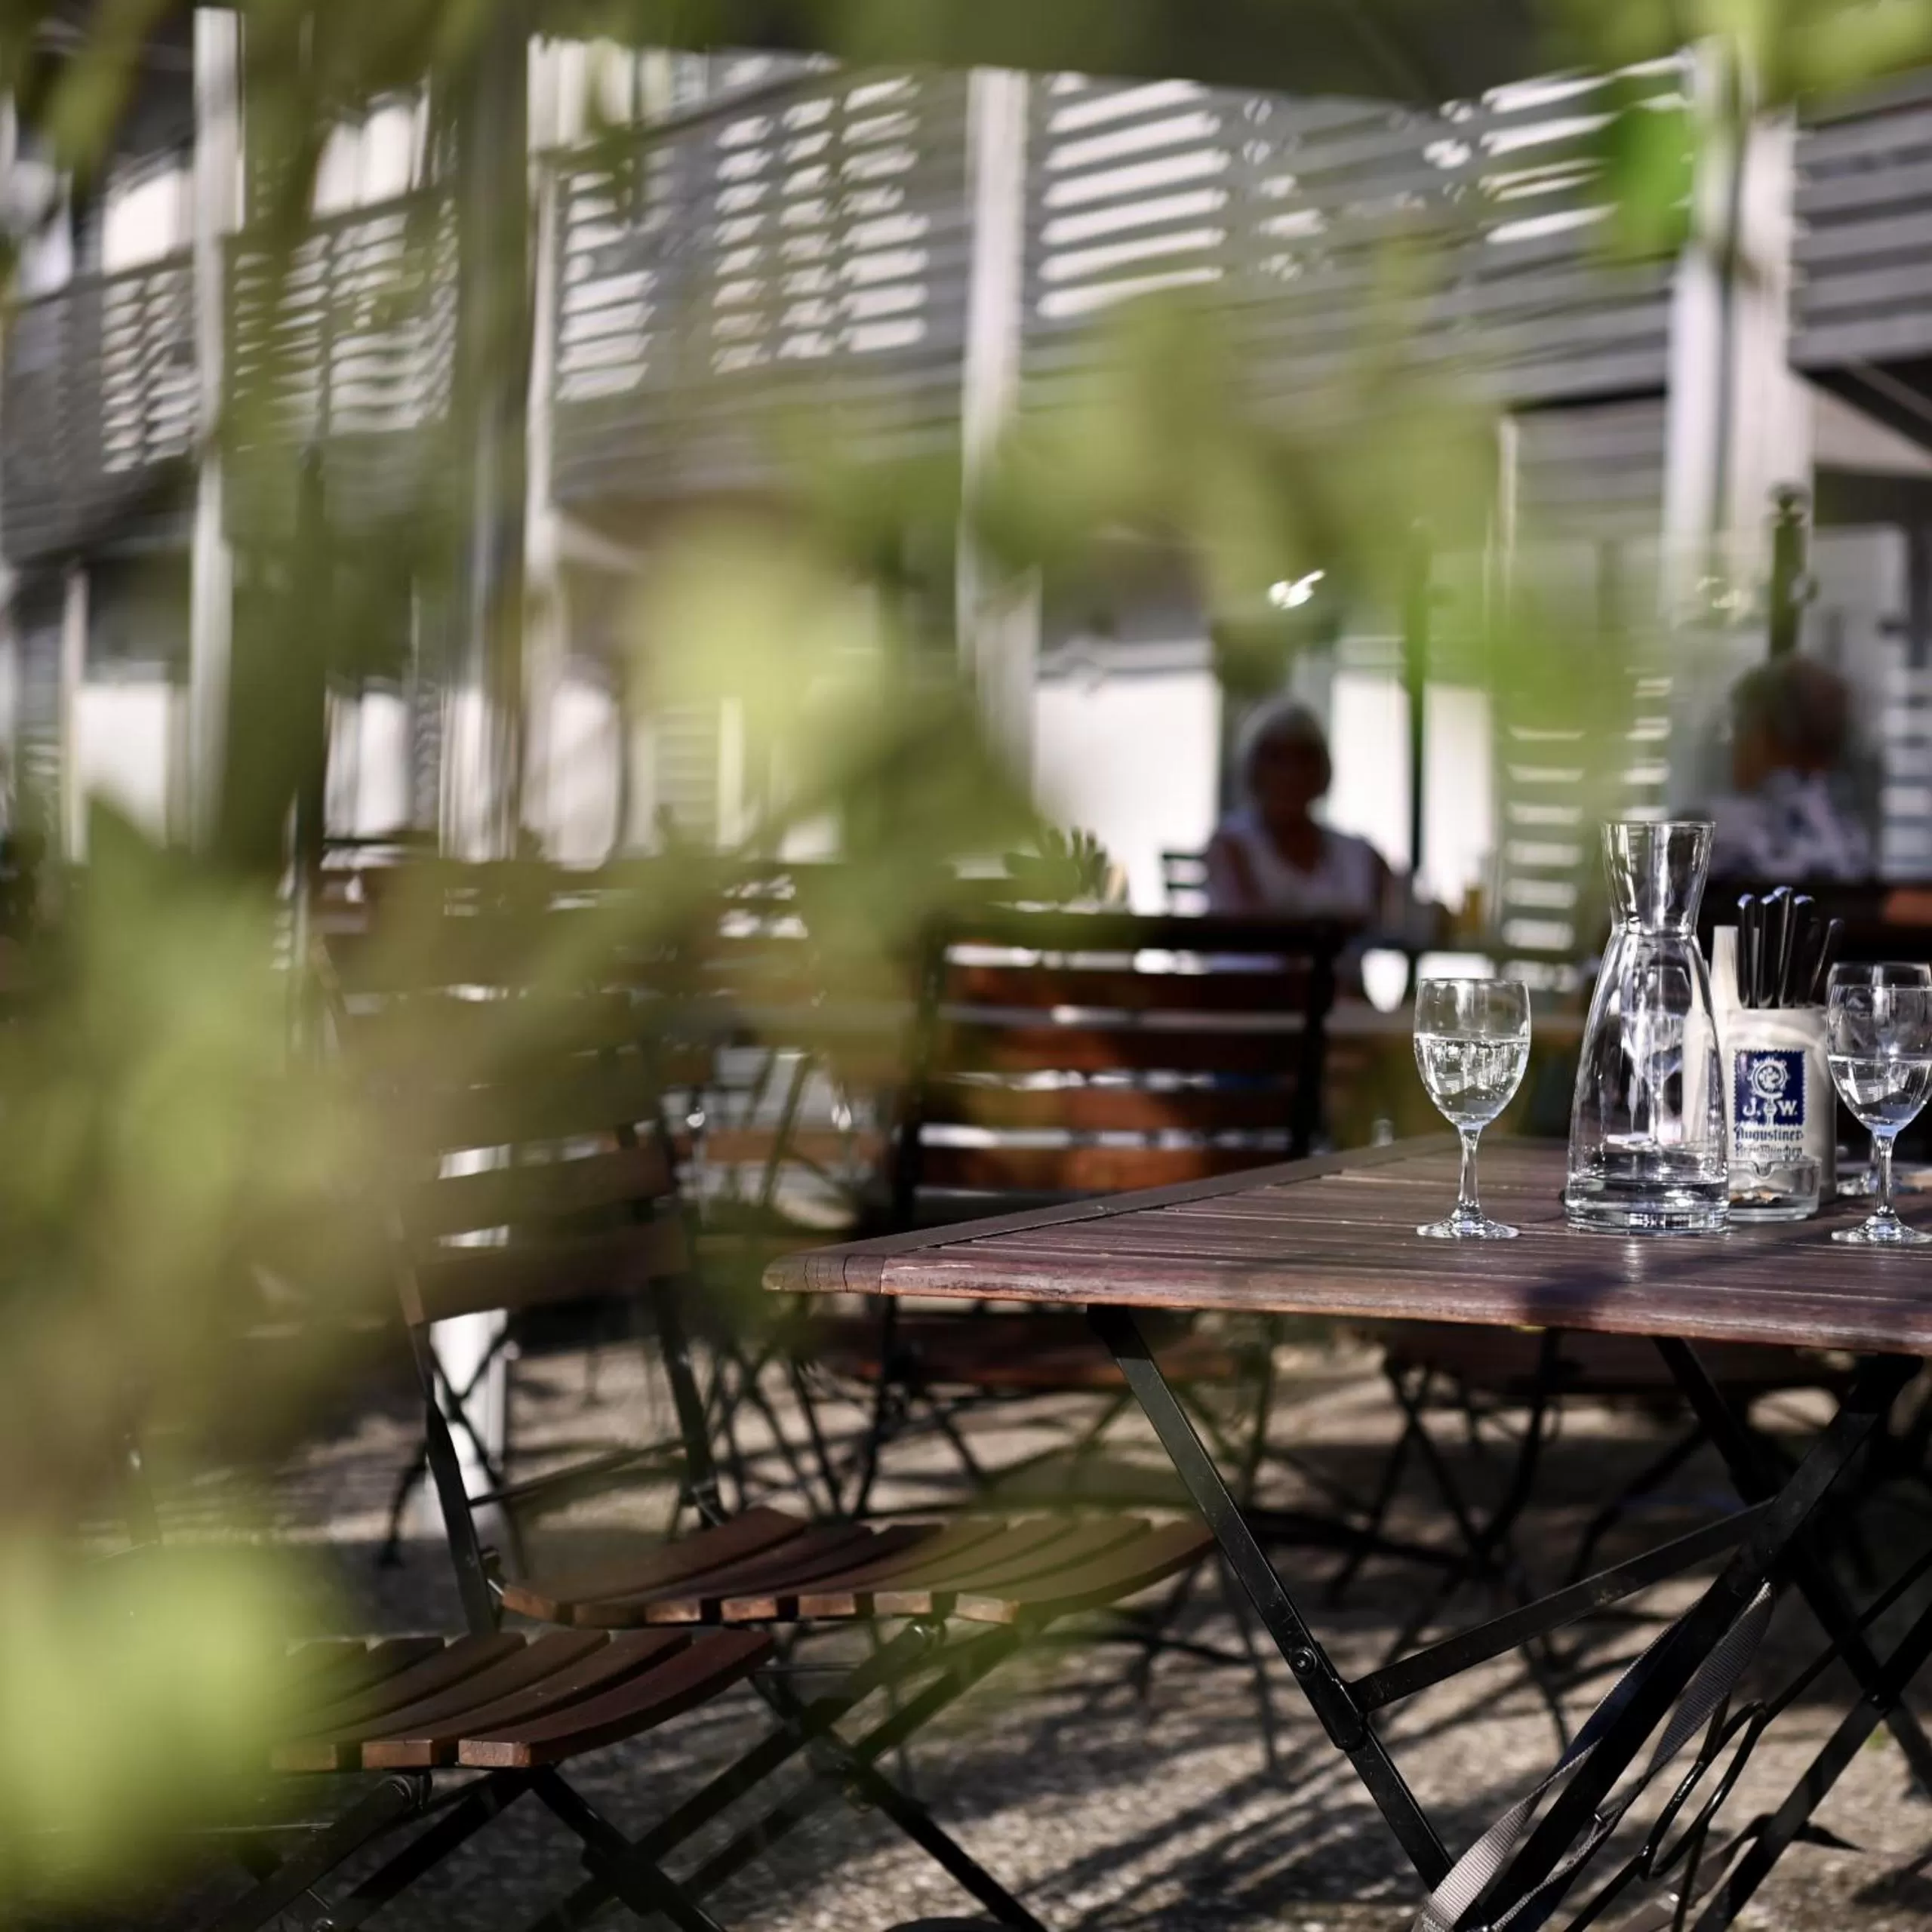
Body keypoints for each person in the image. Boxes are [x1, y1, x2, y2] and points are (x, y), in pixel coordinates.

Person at [1205, 700, 1404, 924]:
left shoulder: (1358, 854)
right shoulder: (1232, 846)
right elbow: (1255, 933)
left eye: (1304, 759)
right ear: (1253, 769)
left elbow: (1406, 915)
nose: (1291, 773)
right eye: (1276, 758)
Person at [1709, 654, 1875, 881]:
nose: (1731, 744)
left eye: (1738, 726)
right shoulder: (1854, 840)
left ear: (1762, 734)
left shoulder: (1722, 836)